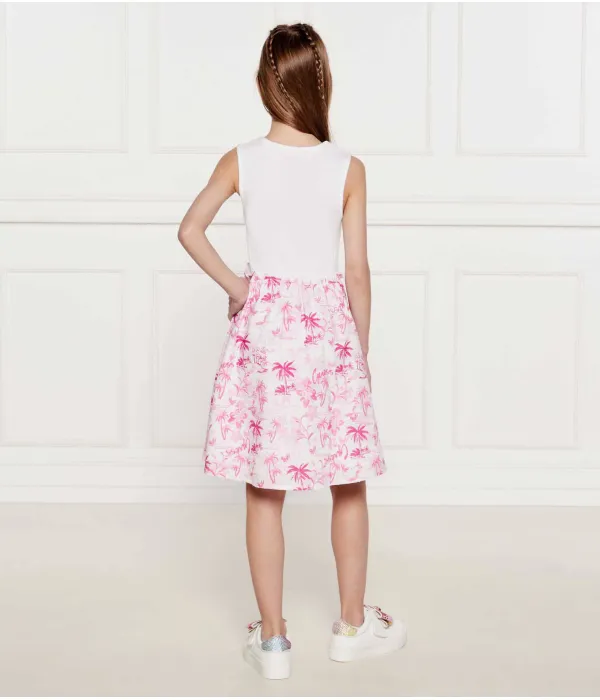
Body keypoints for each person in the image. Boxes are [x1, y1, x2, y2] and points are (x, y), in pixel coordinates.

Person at [178, 23, 406, 680]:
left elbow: (190, 230)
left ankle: (274, 642)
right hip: (328, 333)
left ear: (262, 84)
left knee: (264, 487)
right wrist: (358, 353)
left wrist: (240, 288)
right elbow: (356, 270)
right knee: (348, 481)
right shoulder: (347, 168)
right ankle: (352, 626)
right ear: (322, 85)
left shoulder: (242, 159)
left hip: (267, 333)